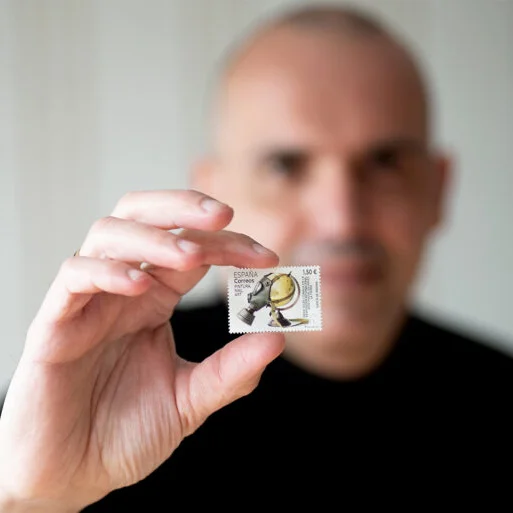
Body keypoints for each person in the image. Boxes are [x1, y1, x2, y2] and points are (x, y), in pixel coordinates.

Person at [1, 4, 512, 511]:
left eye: (385, 163)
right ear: (212, 193)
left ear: (439, 190)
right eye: (285, 166)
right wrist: (39, 500)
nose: (342, 220)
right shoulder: (96, 391)